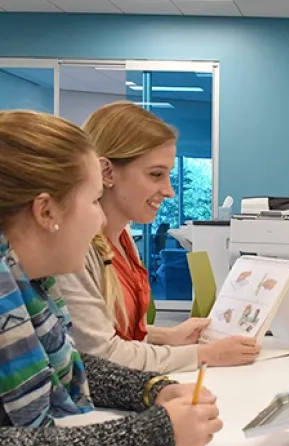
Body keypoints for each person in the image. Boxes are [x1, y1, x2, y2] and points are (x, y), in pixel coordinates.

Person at [0, 109, 222, 446]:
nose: (100, 218)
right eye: (92, 201)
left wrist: (153, 389)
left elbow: (74, 362)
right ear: (46, 211)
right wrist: (155, 435)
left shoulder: (26, 289)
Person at [56, 102, 259, 373]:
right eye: (155, 175)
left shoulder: (123, 238)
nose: (169, 191)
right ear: (107, 172)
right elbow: (99, 354)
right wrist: (205, 354)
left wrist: (167, 336)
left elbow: (109, 331)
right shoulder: (72, 251)